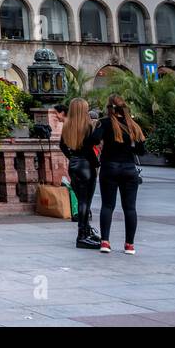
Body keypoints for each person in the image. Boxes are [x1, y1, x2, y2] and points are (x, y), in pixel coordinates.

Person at [85, 95, 146, 255]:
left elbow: (93, 139)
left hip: (109, 167)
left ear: (109, 108)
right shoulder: (133, 125)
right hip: (129, 168)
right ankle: (129, 245)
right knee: (130, 208)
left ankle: (105, 242)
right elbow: (141, 150)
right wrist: (128, 147)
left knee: (108, 205)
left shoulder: (104, 123)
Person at [59, 99, 100, 249]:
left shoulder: (67, 126)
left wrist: (72, 158)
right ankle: (82, 236)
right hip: (86, 166)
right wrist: (95, 163)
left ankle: (86, 231)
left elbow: (62, 146)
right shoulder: (88, 126)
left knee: (81, 199)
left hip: (74, 165)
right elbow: (90, 148)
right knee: (85, 202)